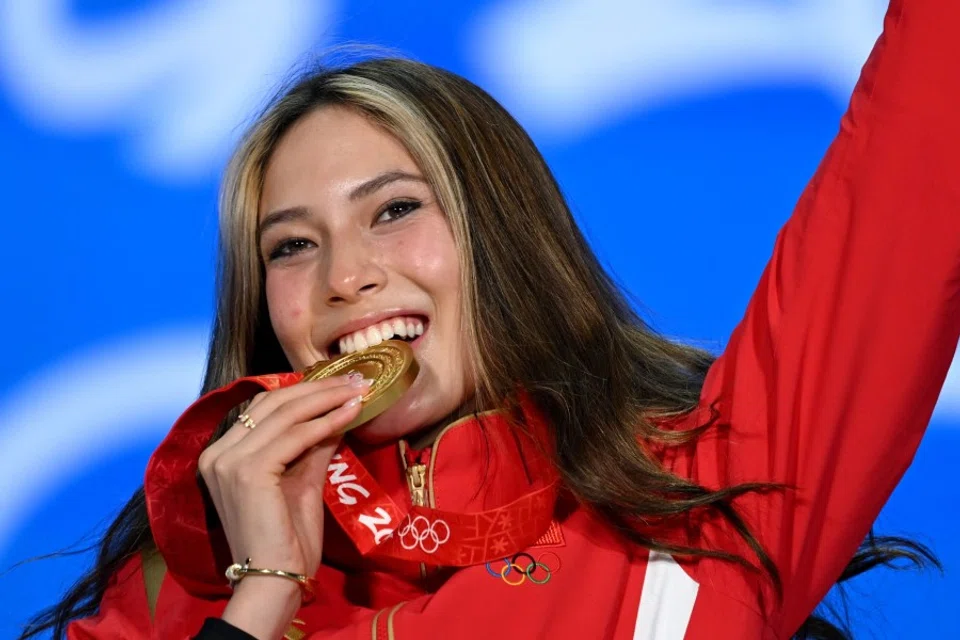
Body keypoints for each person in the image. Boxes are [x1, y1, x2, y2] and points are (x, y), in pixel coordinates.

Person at [19, 0, 959, 638]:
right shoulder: (178, 592)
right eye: (290, 247)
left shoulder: (701, 497)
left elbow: (920, 148)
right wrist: (261, 594)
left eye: (394, 210)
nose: (345, 276)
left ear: (502, 237)